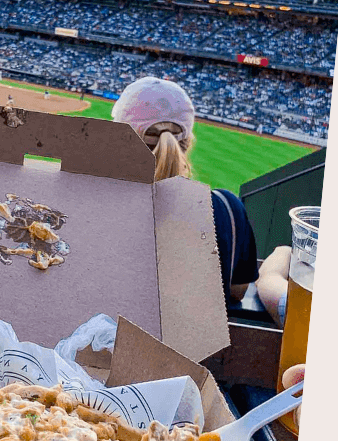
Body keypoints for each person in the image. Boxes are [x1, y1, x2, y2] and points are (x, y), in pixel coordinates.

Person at [111, 76, 259, 305]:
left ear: (120, 139)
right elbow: (236, 291)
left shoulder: (93, 200)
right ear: (187, 142)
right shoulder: (228, 209)